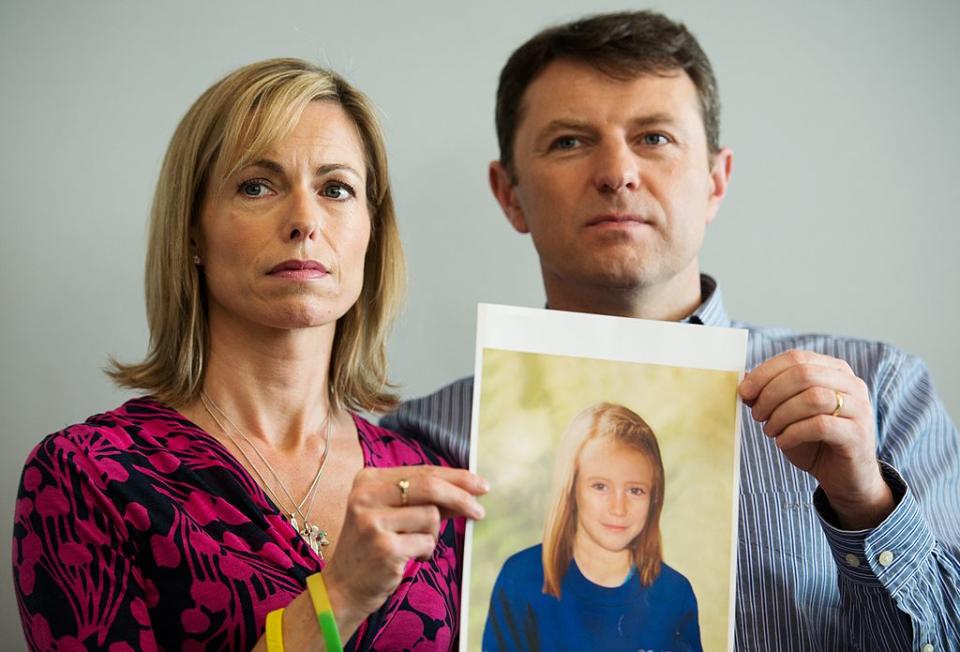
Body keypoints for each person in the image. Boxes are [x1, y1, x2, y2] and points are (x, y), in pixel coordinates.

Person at [382, 11, 960, 650]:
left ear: (716, 180)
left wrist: (867, 503)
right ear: (509, 194)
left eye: (654, 137)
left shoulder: (881, 391)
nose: (617, 172)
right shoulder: (419, 446)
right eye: (570, 141)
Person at [11, 58, 488, 651]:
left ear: (372, 231)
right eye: (256, 186)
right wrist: (335, 599)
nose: (305, 221)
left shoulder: (424, 475)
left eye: (336, 189)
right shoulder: (87, 475)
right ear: (192, 232)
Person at [483, 403, 701, 652]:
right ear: (571, 489)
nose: (618, 508)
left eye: (635, 490)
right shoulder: (520, 578)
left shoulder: (675, 594)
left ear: (654, 496)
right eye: (600, 486)